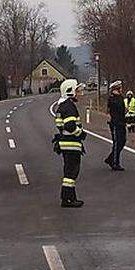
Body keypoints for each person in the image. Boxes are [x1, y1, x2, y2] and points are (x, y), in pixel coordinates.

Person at [52, 79, 85, 207]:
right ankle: (67, 199)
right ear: (70, 92)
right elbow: (70, 126)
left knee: (69, 172)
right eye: (76, 90)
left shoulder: (62, 106)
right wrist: (80, 134)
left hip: (65, 144)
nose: (78, 93)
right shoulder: (69, 107)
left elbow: (61, 125)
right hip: (71, 144)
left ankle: (69, 197)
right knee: (71, 172)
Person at [103, 80, 126, 171]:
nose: (121, 89)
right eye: (120, 88)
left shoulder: (120, 98)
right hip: (116, 123)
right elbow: (112, 110)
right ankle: (115, 162)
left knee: (122, 141)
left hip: (121, 123)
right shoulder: (112, 99)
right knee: (117, 142)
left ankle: (110, 159)